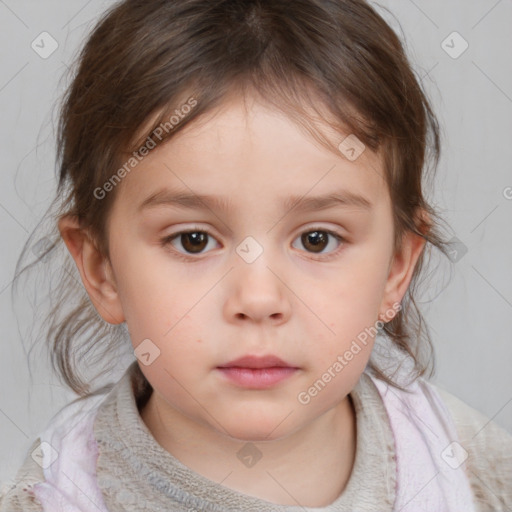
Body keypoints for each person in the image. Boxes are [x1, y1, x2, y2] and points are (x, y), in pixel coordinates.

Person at [1, 0, 511, 510]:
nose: (259, 299)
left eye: (317, 239)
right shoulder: (56, 498)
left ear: (396, 269)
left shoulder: (468, 469)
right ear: (102, 270)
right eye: (193, 240)